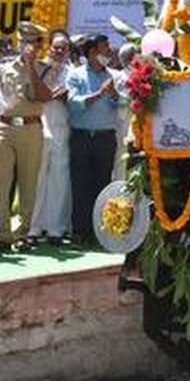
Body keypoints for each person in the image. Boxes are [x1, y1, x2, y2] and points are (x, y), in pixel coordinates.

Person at [0, 22, 50, 247]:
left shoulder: (44, 68)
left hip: (30, 128)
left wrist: (31, 67)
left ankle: (22, 233)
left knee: (28, 183)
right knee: (0, 182)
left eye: (32, 42)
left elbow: (42, 96)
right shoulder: (4, 68)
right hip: (4, 127)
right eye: (24, 41)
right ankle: (1, 234)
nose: (27, 46)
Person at [65, 34, 120, 246]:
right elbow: (74, 103)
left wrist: (114, 94)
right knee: (80, 185)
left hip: (105, 138)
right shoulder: (76, 75)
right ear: (91, 52)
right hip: (82, 137)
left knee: (102, 184)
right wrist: (99, 93)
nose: (108, 52)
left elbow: (121, 105)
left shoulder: (112, 76)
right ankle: (81, 231)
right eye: (104, 48)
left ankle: (100, 232)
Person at [29, 30, 72, 243]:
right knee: (38, 177)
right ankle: (33, 228)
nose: (59, 51)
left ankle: (55, 228)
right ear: (49, 47)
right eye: (56, 47)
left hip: (62, 126)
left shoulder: (72, 72)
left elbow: (71, 96)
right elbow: (34, 93)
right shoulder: (38, 67)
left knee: (59, 178)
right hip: (40, 123)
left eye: (64, 48)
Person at [112, 42, 139, 182]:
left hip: (136, 121)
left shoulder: (141, 76)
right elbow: (114, 99)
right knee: (120, 155)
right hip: (121, 121)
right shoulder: (117, 77)